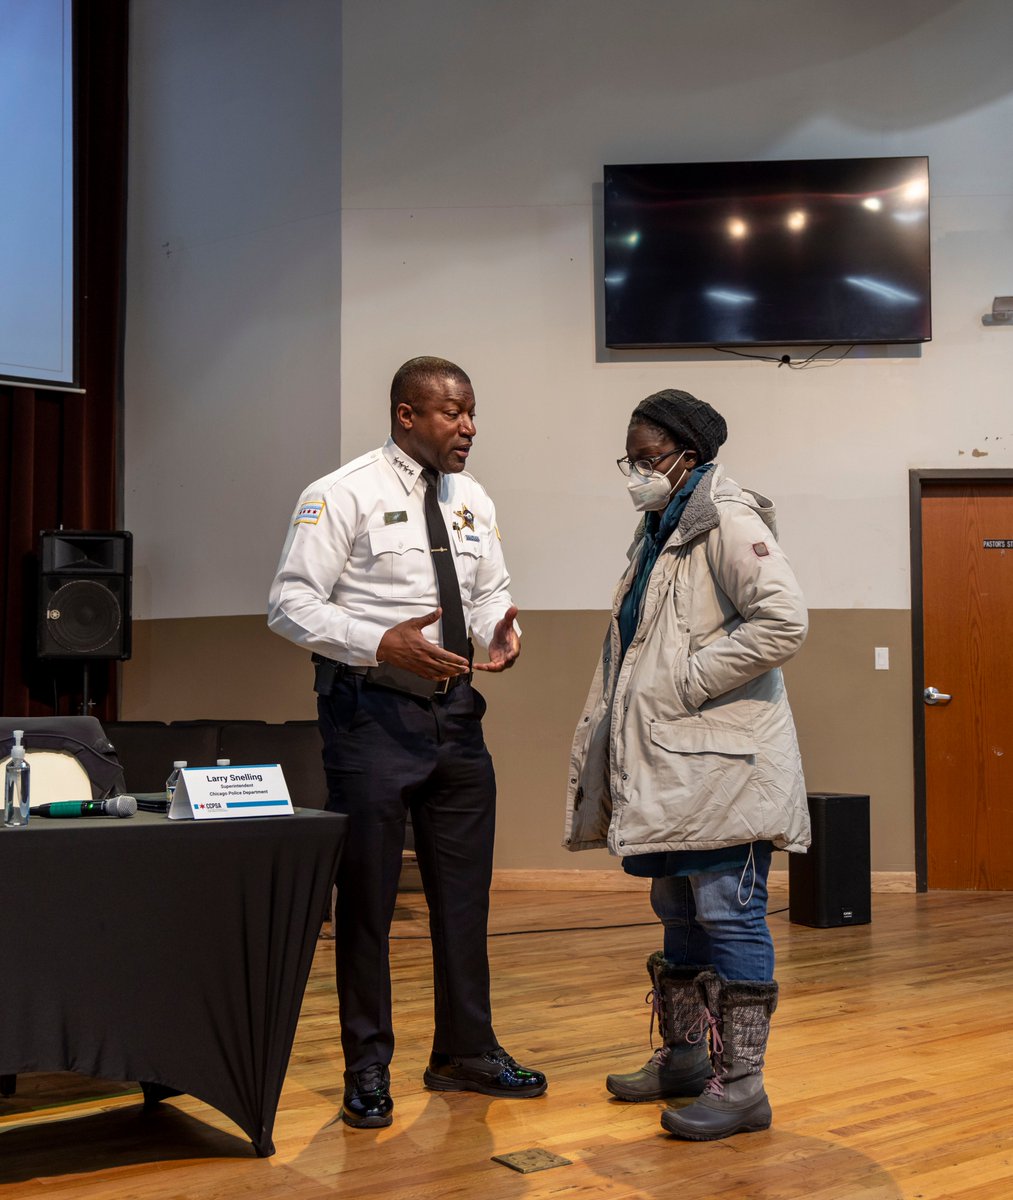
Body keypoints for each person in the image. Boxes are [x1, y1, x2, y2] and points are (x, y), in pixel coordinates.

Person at [268, 356, 546, 1129]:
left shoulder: (473, 497)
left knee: (464, 897)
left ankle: (465, 1051)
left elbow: (488, 586)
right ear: (406, 416)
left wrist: (499, 624)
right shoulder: (341, 491)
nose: (469, 428)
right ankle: (367, 1065)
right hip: (369, 718)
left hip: (456, 717)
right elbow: (288, 604)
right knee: (366, 902)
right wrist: (376, 642)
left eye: (471, 412)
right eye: (453, 414)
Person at [563, 388, 809, 1141]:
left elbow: (783, 621)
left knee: (726, 914)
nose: (635, 471)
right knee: (675, 910)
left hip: (721, 767)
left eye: (647, 459)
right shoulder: (658, 529)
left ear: (687, 457)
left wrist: (688, 679)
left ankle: (741, 1088)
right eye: (629, 460)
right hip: (675, 764)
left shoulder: (726, 521)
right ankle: (681, 1062)